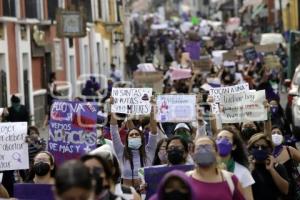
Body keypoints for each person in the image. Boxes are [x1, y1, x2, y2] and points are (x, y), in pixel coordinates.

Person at [110, 99, 158, 189]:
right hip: (126, 195)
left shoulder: (149, 151)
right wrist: (113, 107)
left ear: (142, 139)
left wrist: (153, 109)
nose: (134, 136)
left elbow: (154, 131)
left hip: (146, 194)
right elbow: (114, 131)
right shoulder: (121, 152)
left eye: (137, 135)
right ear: (127, 140)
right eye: (131, 135)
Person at [216, 127, 255, 200]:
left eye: (226, 139)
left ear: (233, 146)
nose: (221, 141)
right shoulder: (207, 169)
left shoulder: (243, 172)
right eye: (219, 138)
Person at [248, 133, 289, 200]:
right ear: (250, 149)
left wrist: (271, 169)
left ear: (269, 149)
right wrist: (250, 170)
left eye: (263, 147)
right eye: (256, 147)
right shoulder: (246, 168)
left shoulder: (277, 167)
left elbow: (285, 190)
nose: (260, 149)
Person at [271, 126, 300, 199]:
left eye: (278, 133)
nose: (276, 135)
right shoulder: (266, 154)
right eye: (273, 133)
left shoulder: (289, 149)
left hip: (293, 191)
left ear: (283, 137)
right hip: (275, 193)